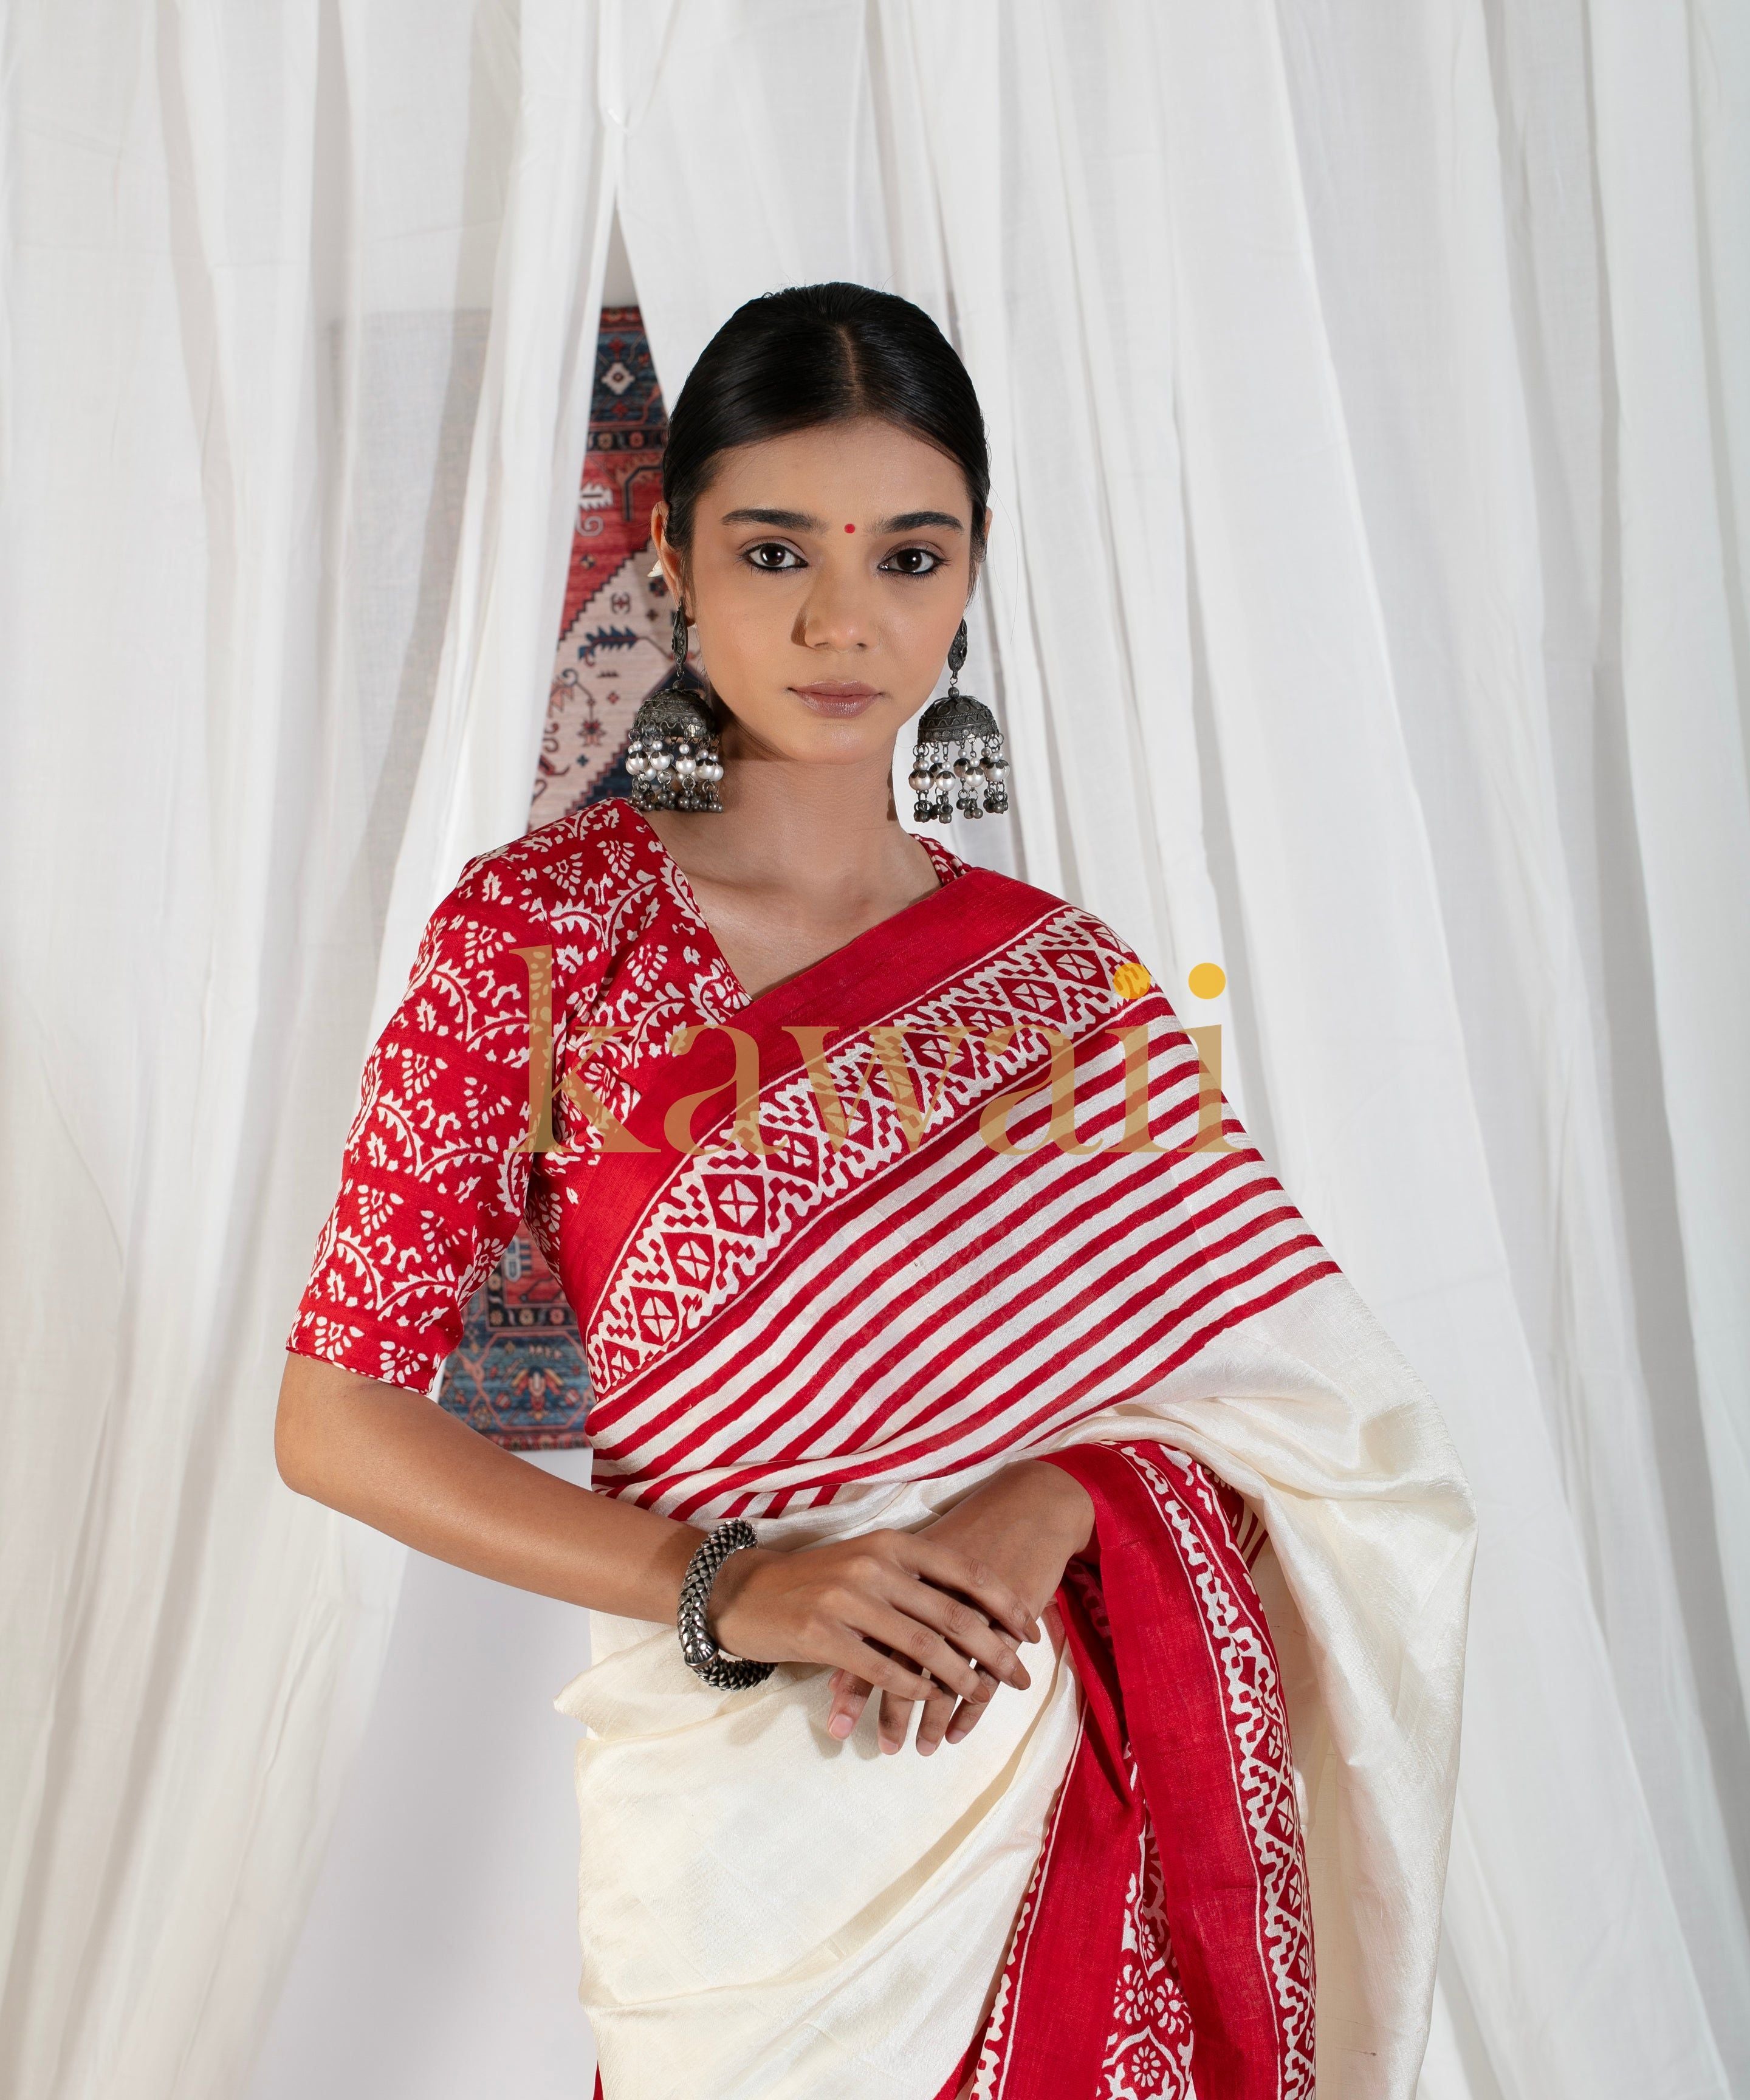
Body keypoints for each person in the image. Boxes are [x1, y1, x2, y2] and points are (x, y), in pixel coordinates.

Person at [277, 283, 1475, 2100]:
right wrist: (726, 1584)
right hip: (749, 1845)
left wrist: (1067, 1500)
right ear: (673, 560)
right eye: (777, 552)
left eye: (910, 556)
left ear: (973, 575)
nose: (848, 622)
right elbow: (337, 1420)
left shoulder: (1070, 988)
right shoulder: (534, 943)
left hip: (1058, 1782)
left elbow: (1323, 1432)